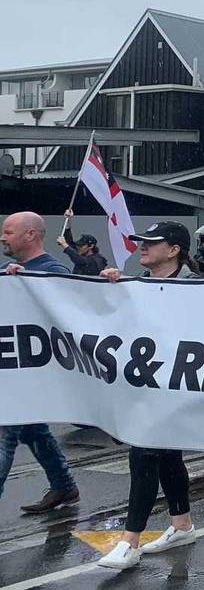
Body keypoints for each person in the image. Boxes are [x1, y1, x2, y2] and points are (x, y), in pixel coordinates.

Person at [95, 222, 204, 569]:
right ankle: (182, 524)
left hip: (179, 385)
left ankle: (130, 541)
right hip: (147, 384)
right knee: (167, 454)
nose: (141, 247)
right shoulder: (137, 283)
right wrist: (111, 290)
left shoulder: (202, 287)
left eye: (151, 243)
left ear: (174, 250)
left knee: (145, 451)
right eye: (141, 242)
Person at [0, 212, 82, 514]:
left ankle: (64, 486)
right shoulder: (8, 272)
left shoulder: (51, 271)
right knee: (34, 430)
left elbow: (64, 316)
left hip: (31, 373)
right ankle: (63, 486)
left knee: (4, 433)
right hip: (13, 371)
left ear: (31, 234)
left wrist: (26, 286)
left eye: (8, 232)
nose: (2, 237)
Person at [57, 209, 108, 275]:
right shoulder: (81, 252)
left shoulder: (98, 260)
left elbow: (80, 260)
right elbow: (69, 242)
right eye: (78, 245)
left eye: (81, 246)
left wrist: (64, 245)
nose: (78, 248)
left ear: (91, 246)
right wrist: (68, 219)